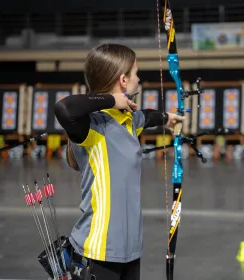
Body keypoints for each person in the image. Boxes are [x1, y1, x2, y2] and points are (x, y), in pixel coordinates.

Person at [54, 43, 184, 280]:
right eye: (136, 73)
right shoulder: (93, 126)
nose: (139, 79)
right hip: (98, 251)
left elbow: (148, 116)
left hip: (130, 250)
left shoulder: (130, 120)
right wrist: (111, 100)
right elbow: (63, 108)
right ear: (123, 80)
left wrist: (168, 118)